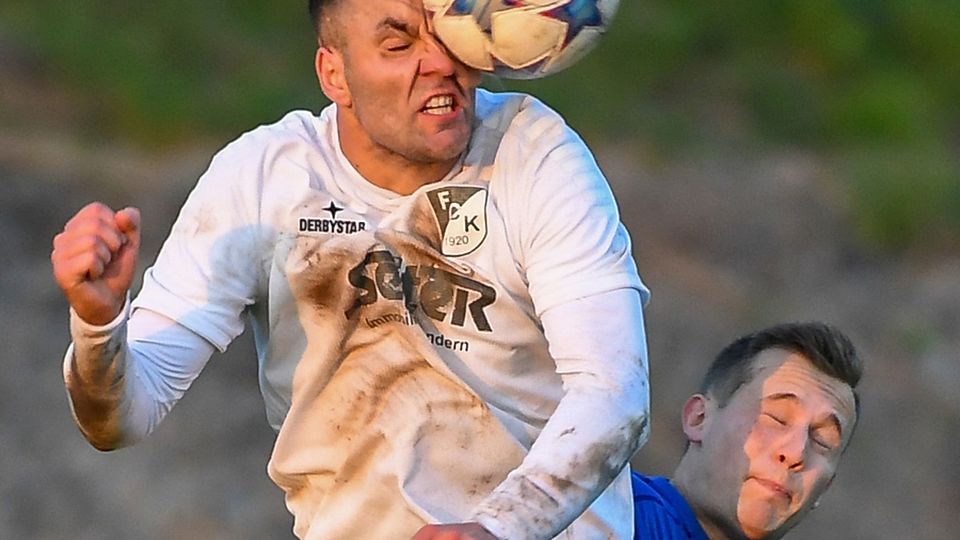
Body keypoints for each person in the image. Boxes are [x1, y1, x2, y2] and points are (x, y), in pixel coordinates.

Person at [50, 1, 651, 539]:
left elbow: (615, 391)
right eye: (399, 44)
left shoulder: (535, 153)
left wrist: (498, 529)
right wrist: (99, 326)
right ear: (333, 74)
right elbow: (122, 418)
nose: (439, 64)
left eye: (446, 34)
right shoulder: (265, 177)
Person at [631, 322, 863, 539]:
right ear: (698, 419)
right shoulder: (610, 508)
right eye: (777, 417)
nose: (796, 452)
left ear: (825, 488)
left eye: (822, 441)